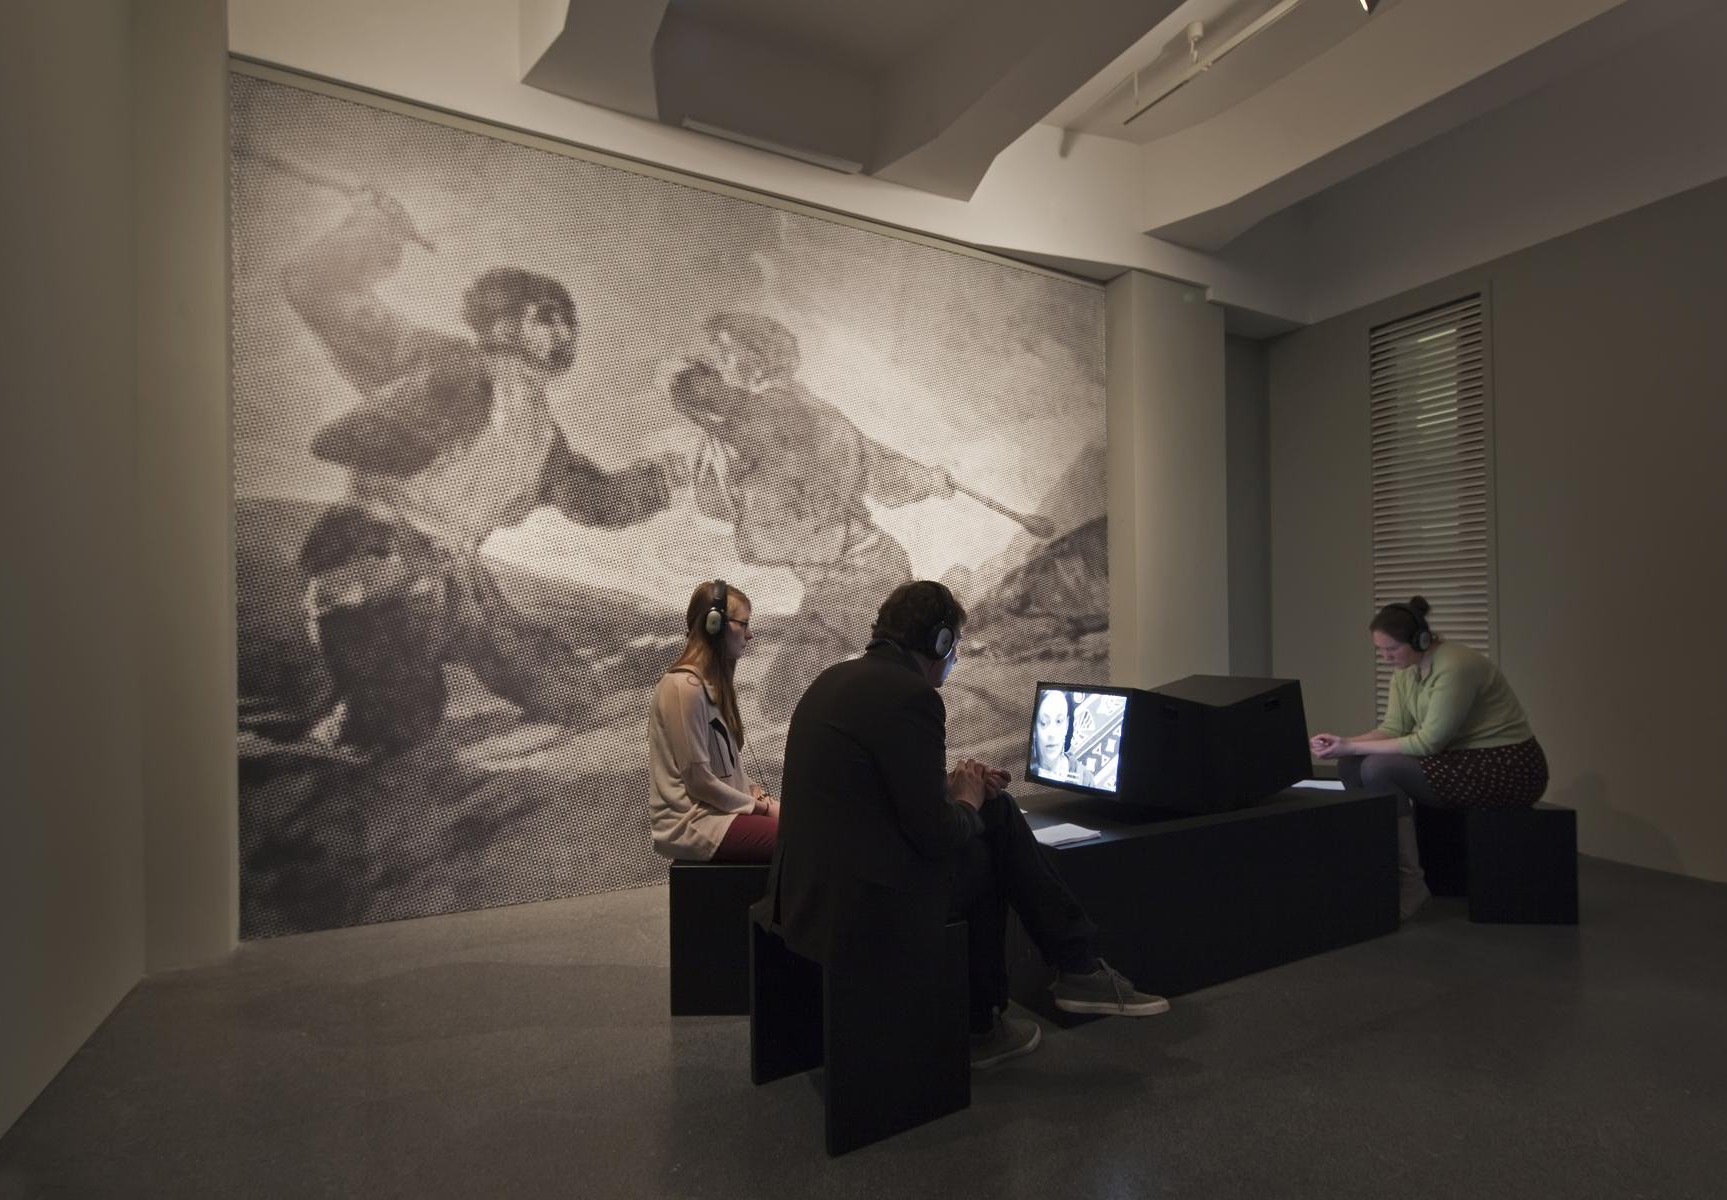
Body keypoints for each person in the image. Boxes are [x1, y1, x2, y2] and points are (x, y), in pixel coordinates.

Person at [275, 189, 686, 754]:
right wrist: (368, 232)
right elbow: (317, 290)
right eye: (544, 316)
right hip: (377, 562)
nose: (562, 331)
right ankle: (344, 722)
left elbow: (595, 501)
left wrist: (663, 478)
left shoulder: (543, 434)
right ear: (502, 324)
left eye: (565, 319)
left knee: (570, 693)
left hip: (458, 577)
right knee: (394, 728)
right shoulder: (441, 362)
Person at [758, 580, 1167, 1071]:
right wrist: (968, 802)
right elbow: (936, 835)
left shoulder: (838, 679)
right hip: (859, 904)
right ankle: (1006, 1010)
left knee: (995, 813)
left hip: (805, 891)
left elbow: (881, 794)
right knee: (986, 853)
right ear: (942, 642)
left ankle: (1062, 974)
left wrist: (959, 788)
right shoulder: (912, 696)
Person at [664, 313, 957, 719]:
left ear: (758, 359)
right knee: (783, 700)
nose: (717, 361)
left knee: (806, 701)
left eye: (726, 350)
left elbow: (700, 397)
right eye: (716, 352)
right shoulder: (761, 424)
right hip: (838, 581)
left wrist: (925, 479)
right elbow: (719, 500)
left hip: (864, 576)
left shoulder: (776, 412)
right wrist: (928, 480)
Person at [1309, 596, 1549, 922]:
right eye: (1380, 650)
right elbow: (1393, 728)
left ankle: (1411, 884)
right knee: (1350, 764)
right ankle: (1376, 871)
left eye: (1392, 649)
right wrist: (1344, 744)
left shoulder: (1456, 667)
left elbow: (1430, 742)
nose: (1386, 657)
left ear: (1420, 640)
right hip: (1458, 758)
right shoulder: (1405, 670)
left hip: (1506, 766)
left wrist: (1352, 745)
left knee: (1378, 768)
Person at [648, 581, 779, 862]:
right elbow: (699, 782)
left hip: (718, 814)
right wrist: (763, 809)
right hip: (695, 822)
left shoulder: (706, 687)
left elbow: (725, 774)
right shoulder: (684, 687)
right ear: (715, 626)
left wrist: (759, 796)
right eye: (743, 624)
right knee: (802, 840)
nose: (750, 634)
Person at [1029, 689, 1094, 787]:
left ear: (1067, 725)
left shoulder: (1085, 779)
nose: (1052, 733)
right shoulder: (1021, 767)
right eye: (1044, 723)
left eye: (1059, 721)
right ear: (1034, 728)